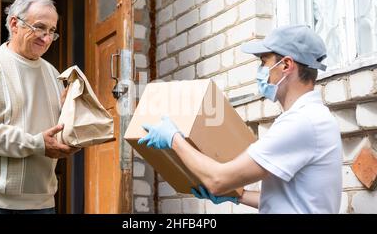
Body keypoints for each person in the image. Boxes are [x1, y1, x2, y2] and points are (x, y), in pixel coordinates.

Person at [139, 25, 343, 214]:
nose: (261, 71)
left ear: (286, 65)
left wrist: (174, 138)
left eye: (264, 62)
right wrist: (239, 196)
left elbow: (217, 179)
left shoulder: (302, 122)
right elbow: (289, 198)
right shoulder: (309, 118)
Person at [0, 0, 79, 214]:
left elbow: (56, 133)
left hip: (42, 204)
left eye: (52, 31)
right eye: (40, 28)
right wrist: (37, 143)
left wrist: (73, 114)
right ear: (14, 23)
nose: (47, 38)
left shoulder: (54, 75)